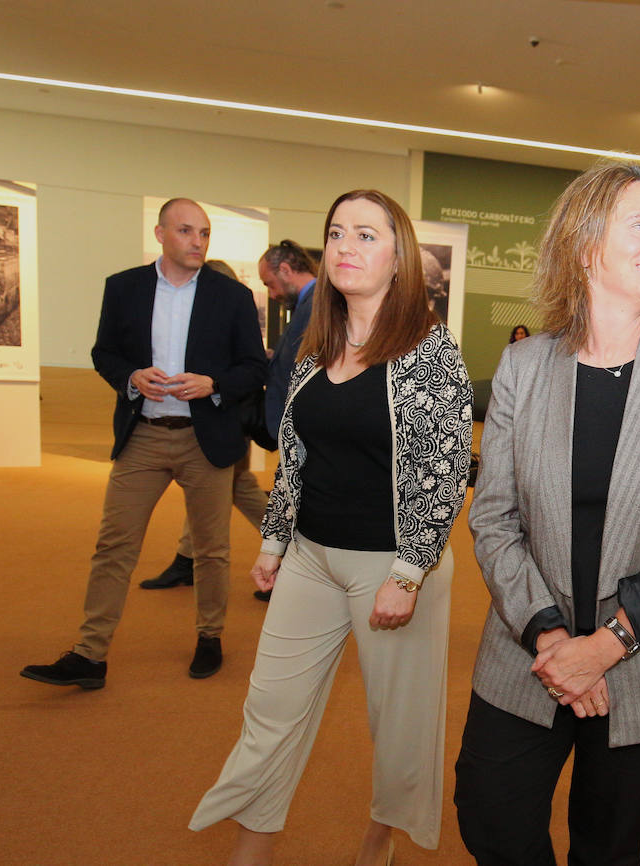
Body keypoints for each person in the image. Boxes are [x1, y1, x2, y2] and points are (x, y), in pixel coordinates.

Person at [455, 160, 640, 866]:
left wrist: (604, 646)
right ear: (586, 246)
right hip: (529, 647)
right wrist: (555, 641)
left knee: (607, 844)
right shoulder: (526, 366)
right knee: (489, 817)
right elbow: (493, 519)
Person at [190, 190, 472, 866]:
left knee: (398, 728)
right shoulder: (318, 348)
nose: (347, 245)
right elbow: (296, 455)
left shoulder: (430, 354)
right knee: (271, 709)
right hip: (312, 558)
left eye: (367, 235)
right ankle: (251, 846)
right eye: (337, 232)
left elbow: (444, 471)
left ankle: (382, 833)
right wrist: (275, 538)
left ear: (399, 256)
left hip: (395, 567)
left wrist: (409, 574)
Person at [21, 198, 267, 687]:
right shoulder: (124, 287)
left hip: (205, 441)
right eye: (186, 231)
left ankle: (209, 637)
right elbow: (103, 352)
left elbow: (254, 367)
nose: (197, 242)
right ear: (160, 234)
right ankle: (90, 656)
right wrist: (131, 377)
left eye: (204, 233)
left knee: (212, 550)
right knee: (114, 545)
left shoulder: (231, 296)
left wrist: (213, 383)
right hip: (144, 438)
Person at [142, 241, 318, 602]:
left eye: (270, 283)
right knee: (229, 486)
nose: (269, 292)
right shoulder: (305, 304)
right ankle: (187, 558)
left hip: (233, 416)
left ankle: (290, 559)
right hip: (231, 416)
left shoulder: (312, 304)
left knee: (224, 485)